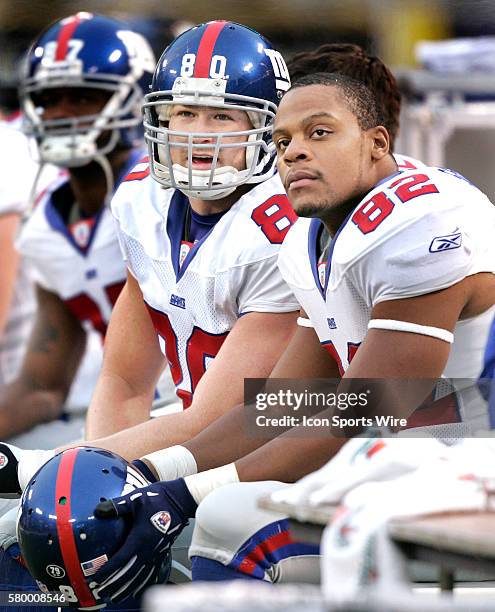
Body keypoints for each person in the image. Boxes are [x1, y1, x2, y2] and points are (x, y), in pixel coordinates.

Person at [83, 71, 495, 594]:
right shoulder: (311, 239)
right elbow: (280, 406)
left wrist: (187, 492)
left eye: (319, 133)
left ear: (377, 143)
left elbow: (369, 408)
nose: (295, 152)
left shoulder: (424, 219)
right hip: (409, 466)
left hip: (471, 461)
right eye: (283, 141)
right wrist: (146, 471)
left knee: (229, 519)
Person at [0, 12, 159, 444]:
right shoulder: (45, 227)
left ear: (135, 102)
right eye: (49, 99)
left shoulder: (166, 196)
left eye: (83, 97)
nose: (61, 114)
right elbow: (41, 387)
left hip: (214, 402)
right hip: (128, 409)